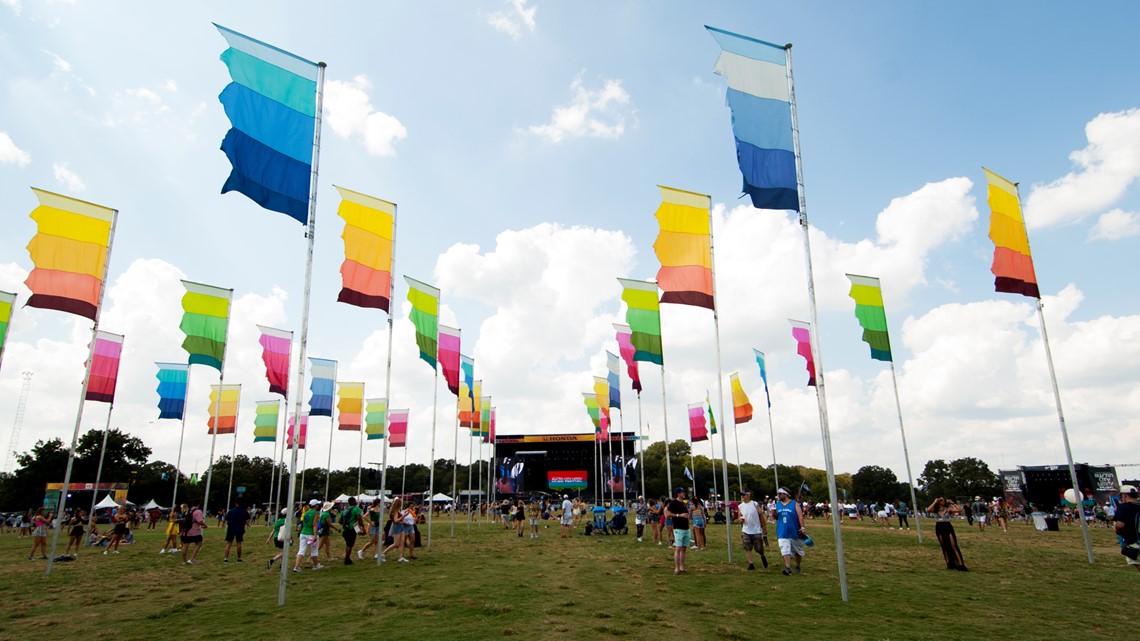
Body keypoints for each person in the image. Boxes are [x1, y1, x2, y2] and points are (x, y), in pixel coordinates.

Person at [927, 497, 968, 571]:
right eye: (941, 500)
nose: (942, 501)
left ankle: (961, 564)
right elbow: (928, 510)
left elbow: (959, 510)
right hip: (939, 527)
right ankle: (949, 563)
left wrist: (952, 503)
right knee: (944, 546)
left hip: (947, 526)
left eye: (943, 500)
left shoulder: (948, 509)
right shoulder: (935, 510)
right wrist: (935, 502)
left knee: (953, 545)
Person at [774, 487, 807, 576]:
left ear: (785, 494)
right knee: (784, 549)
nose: (779, 496)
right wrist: (774, 515)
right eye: (778, 494)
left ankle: (797, 565)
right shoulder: (778, 504)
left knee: (798, 551)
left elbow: (800, 516)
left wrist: (802, 527)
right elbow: (777, 516)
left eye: (780, 494)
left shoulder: (794, 504)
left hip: (794, 531)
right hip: (782, 531)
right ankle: (788, 567)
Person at [736, 490, 769, 571]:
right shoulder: (740, 506)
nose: (743, 497)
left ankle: (762, 556)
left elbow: (761, 515)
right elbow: (739, 516)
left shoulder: (754, 504)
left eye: (744, 495)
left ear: (748, 495)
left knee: (759, 548)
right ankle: (751, 564)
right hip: (746, 530)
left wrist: (764, 528)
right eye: (742, 495)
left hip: (756, 530)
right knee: (747, 547)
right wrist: (740, 520)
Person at [665, 488, 691, 575]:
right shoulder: (673, 503)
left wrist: (687, 516)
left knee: (684, 548)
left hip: (686, 528)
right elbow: (668, 514)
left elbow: (686, 513)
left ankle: (682, 567)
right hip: (678, 528)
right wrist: (679, 515)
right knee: (678, 548)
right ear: (678, 493)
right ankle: (676, 568)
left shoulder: (684, 503)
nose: (684, 494)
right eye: (683, 492)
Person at [1114, 485, 1140, 573]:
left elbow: (1120, 525)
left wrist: (1117, 530)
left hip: (1134, 542)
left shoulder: (1123, 507)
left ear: (1125, 495)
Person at [293, 499, 323, 572]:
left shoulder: (306, 513)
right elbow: (314, 525)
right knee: (314, 551)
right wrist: (315, 535)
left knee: (301, 550)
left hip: (303, 533)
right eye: (317, 504)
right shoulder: (316, 513)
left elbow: (303, 523)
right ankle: (316, 565)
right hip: (311, 533)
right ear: (315, 505)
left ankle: (296, 567)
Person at [181, 500, 206, 565]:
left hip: (185, 531)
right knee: (199, 543)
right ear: (199, 504)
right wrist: (205, 525)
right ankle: (192, 559)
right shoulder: (198, 511)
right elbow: (200, 521)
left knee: (185, 545)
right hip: (194, 531)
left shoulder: (188, 511)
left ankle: (184, 561)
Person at [340, 497, 364, 565]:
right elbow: (359, 518)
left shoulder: (344, 510)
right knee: (350, 545)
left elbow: (339, 521)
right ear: (353, 502)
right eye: (355, 501)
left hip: (345, 529)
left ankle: (347, 558)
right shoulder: (356, 509)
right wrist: (362, 527)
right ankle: (347, 559)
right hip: (352, 528)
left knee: (348, 544)